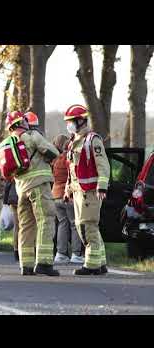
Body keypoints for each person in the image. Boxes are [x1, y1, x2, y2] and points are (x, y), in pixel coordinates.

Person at [6, 111, 60, 276]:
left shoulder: (10, 141)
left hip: (21, 189)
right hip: (38, 185)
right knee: (45, 220)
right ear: (22, 122)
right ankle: (44, 263)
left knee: (26, 226)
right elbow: (53, 151)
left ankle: (26, 265)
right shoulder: (32, 135)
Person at [63, 105, 110, 275]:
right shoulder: (73, 141)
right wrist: (68, 188)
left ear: (81, 121)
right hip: (77, 191)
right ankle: (101, 262)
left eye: (70, 121)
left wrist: (102, 186)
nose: (68, 125)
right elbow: (72, 169)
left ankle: (91, 265)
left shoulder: (92, 139)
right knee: (89, 227)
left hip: (90, 192)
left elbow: (103, 164)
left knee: (86, 227)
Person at [51, 134, 84, 265]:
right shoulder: (69, 159)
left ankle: (60, 253)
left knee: (62, 224)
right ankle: (76, 254)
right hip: (68, 196)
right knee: (74, 225)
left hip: (55, 196)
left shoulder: (56, 159)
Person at [3, 179, 19, 261]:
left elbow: (8, 184)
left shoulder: (13, 169)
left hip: (13, 198)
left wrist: (5, 201)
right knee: (26, 226)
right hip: (22, 197)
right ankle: (25, 250)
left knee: (17, 226)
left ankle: (16, 251)